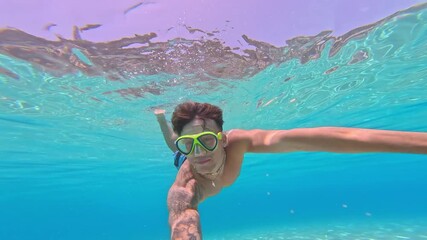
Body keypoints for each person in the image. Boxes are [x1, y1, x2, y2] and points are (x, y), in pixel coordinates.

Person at [154, 101, 427, 240]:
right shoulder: (187, 186)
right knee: (173, 147)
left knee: (175, 144)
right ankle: (165, 127)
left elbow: (311, 137)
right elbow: (183, 219)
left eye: (208, 140)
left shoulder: (238, 142)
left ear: (223, 139)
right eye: (190, 144)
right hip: (179, 157)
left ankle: (167, 127)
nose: (200, 153)